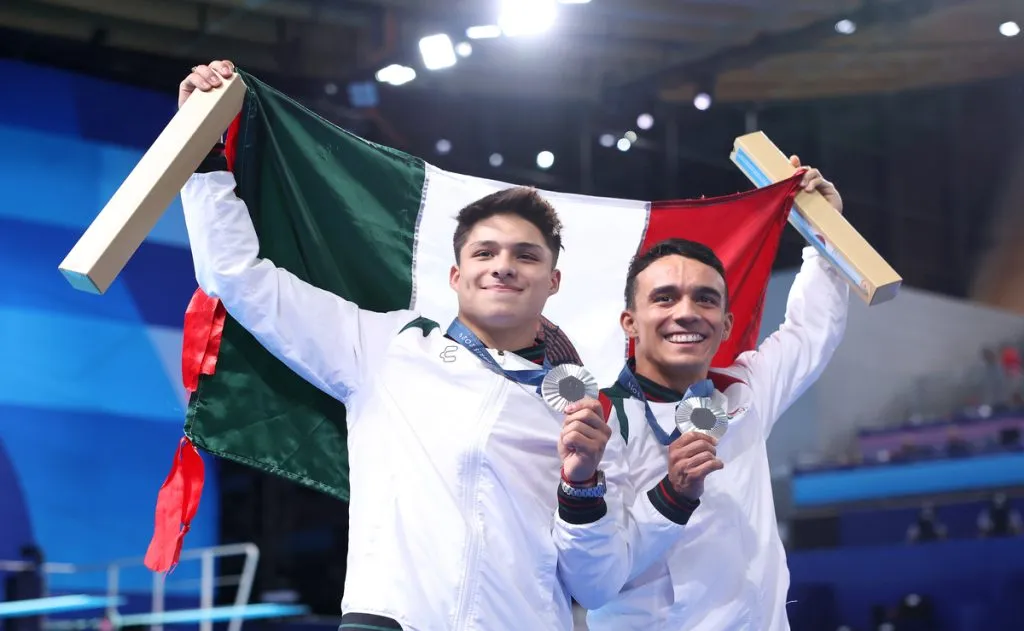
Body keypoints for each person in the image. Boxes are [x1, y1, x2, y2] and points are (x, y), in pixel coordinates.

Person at [178, 61, 716, 631]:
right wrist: (202, 155)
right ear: (456, 277)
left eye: (526, 256)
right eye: (484, 254)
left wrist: (580, 484)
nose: (503, 267)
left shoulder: (583, 412)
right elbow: (238, 276)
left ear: (554, 282)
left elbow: (597, 584)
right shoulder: (384, 347)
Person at [584, 161, 849, 630]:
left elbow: (812, 331)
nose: (687, 313)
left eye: (705, 300)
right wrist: (672, 495)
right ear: (630, 323)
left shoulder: (741, 390)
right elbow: (593, 578)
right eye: (664, 298)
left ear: (725, 324)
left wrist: (824, 229)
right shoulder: (596, 423)